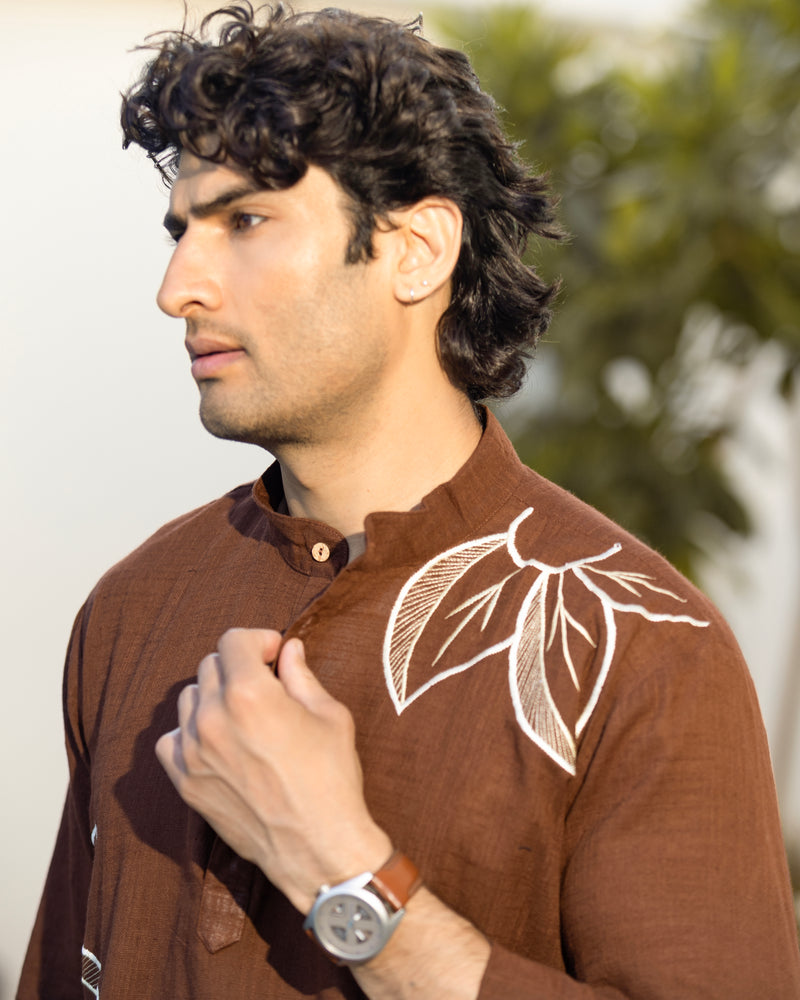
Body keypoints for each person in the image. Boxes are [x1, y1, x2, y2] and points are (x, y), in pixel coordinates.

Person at [18, 4, 800, 998]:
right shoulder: (135, 607)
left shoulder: (641, 646)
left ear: (417, 249)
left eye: (245, 220)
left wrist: (340, 869)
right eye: (181, 231)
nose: (179, 287)